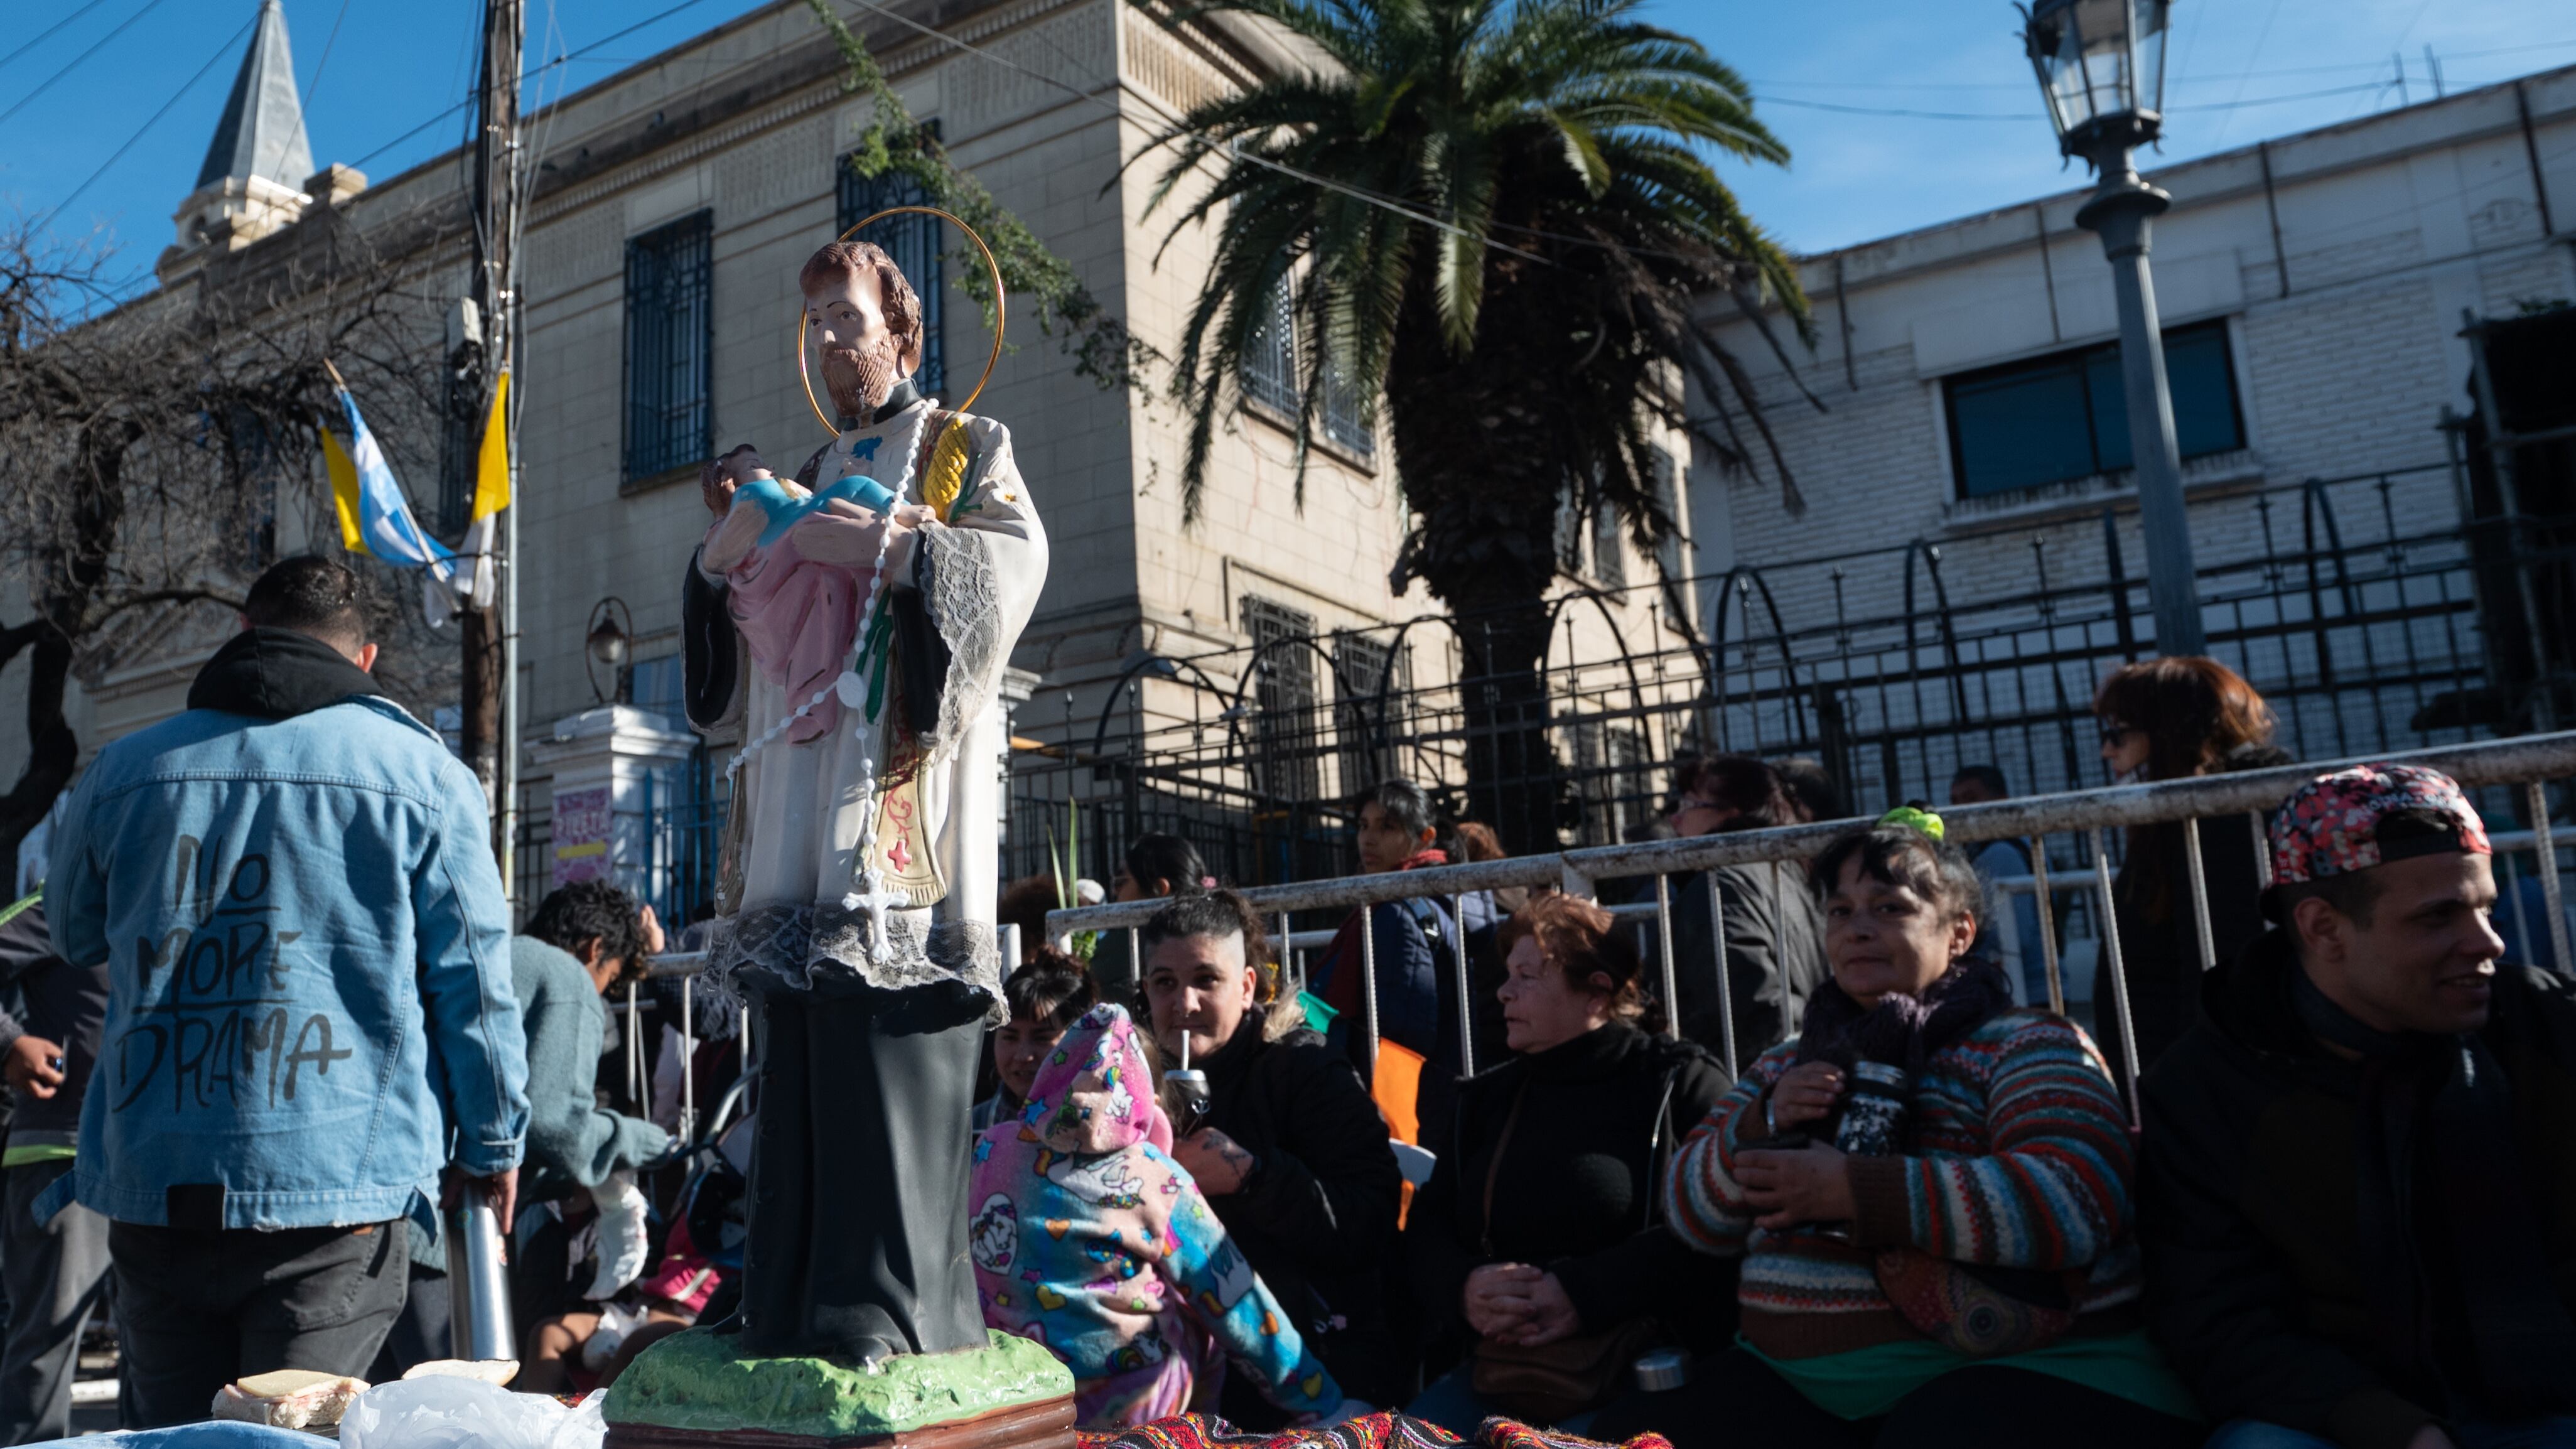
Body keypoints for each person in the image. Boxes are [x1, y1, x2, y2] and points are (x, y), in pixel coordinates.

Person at [41, 556, 527, 1427]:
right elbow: (476, 991)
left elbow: (76, 935)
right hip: (336, 1189)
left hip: (157, 1173)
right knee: (295, 1438)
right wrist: (493, 1148)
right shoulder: (422, 778)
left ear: (242, 633)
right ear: (367, 659)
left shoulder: (123, 771)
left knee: (170, 1441)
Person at [681, 234, 1047, 1366]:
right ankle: (785, 1284)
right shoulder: (805, 455)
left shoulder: (961, 445)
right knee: (795, 1029)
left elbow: (1015, 561)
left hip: (898, 775)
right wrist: (726, 556)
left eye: (847, 315)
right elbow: (733, 636)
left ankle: (882, 1301)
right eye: (817, 325)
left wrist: (895, 543)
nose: (832, 341)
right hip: (804, 775)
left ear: (901, 327)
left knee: (882, 1016)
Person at [1594, 812, 2199, 1448]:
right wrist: (1760, 1121)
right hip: (1796, 1384)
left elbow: (2076, 1196)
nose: (1857, 928)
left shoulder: (2027, 1043)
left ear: (1958, 932)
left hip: (2022, 1373)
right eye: (1839, 910)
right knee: (1626, 1435)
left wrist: (1856, 1193)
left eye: (1888, 907)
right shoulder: (1788, 1062)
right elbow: (1691, 1214)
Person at [2139, 765, 2576, 1449]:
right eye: (2439, 916)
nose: (2486, 942)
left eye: (2484, 907)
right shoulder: (2203, 1094)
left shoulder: (2549, 1025)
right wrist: (2398, 1432)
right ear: (2322, 928)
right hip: (2349, 1421)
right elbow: (2218, 1322)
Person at [1404, 894, 1735, 1434]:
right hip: (1505, 1376)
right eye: (1508, 975)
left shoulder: (1678, 1084)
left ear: (1597, 992)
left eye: (1529, 977)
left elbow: (1723, 1220)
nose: (1505, 992)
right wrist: (1465, 1289)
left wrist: (1584, 1292)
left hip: (1649, 1371)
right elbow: (1426, 1231)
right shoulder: (1486, 1101)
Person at [969, 1003, 1344, 1429]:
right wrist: (1322, 1404)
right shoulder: (1157, 1178)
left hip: (1016, 1393)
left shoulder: (992, 1148)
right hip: (1137, 1405)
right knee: (1200, 1308)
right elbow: (1238, 1301)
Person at [1137, 890, 1402, 1425]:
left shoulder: (1302, 1068)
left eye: (1206, 980)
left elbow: (1371, 1217)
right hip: (1166, 1366)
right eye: (1165, 983)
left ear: (1247, 986)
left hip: (1309, 1365)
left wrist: (1252, 1178)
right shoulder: (1132, 1082)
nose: (1183, 1004)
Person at [511, 881, 679, 1394]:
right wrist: (640, 1141)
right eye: (606, 981)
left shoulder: (503, 957)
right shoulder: (565, 976)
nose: (601, 997)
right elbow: (557, 1127)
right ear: (593, 950)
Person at [2094, 657, 2286, 1082]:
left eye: (2117, 733)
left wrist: (2189, 1088)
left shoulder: (2230, 816)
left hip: (2202, 1085)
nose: (2106, 749)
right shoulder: (2183, 815)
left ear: (2169, 732)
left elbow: (2219, 961)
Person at [0, 891, 109, 1444]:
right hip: (61, 1159)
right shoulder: (64, 900)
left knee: (162, 1358)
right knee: (42, 1352)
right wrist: (9, 1042)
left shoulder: (180, 891)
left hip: (160, 1163)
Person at [1310, 780, 1462, 1150]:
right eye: (1363, 825)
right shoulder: (1398, 899)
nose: (1369, 839)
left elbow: (1403, 1028)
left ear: (1425, 837)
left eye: (1387, 827)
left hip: (1398, 1093)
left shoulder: (1398, 909)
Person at [1658, 755, 1829, 1059]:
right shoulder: (1793, 874)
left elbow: (1746, 1006)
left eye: (1689, 804)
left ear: (1731, 812)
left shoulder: (1721, 885)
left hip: (1754, 1080)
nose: (1675, 818)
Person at [1948, 765, 2055, 1008]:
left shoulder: (2000, 852)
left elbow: (2011, 935)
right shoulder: (2026, 844)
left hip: (2024, 990)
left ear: (2001, 801)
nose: (1960, 810)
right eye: (1955, 801)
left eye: (1971, 798)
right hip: (2039, 985)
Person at [973, 949, 1096, 1132]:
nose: (1023, 1056)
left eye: (1042, 1038)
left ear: (1080, 1041)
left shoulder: (1100, 1125)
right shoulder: (972, 1128)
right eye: (1010, 1037)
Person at [1089, 832, 1211, 995]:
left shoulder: (1123, 943)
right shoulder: (1218, 933)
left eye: (1121, 882)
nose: (1114, 891)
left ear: (1160, 889)